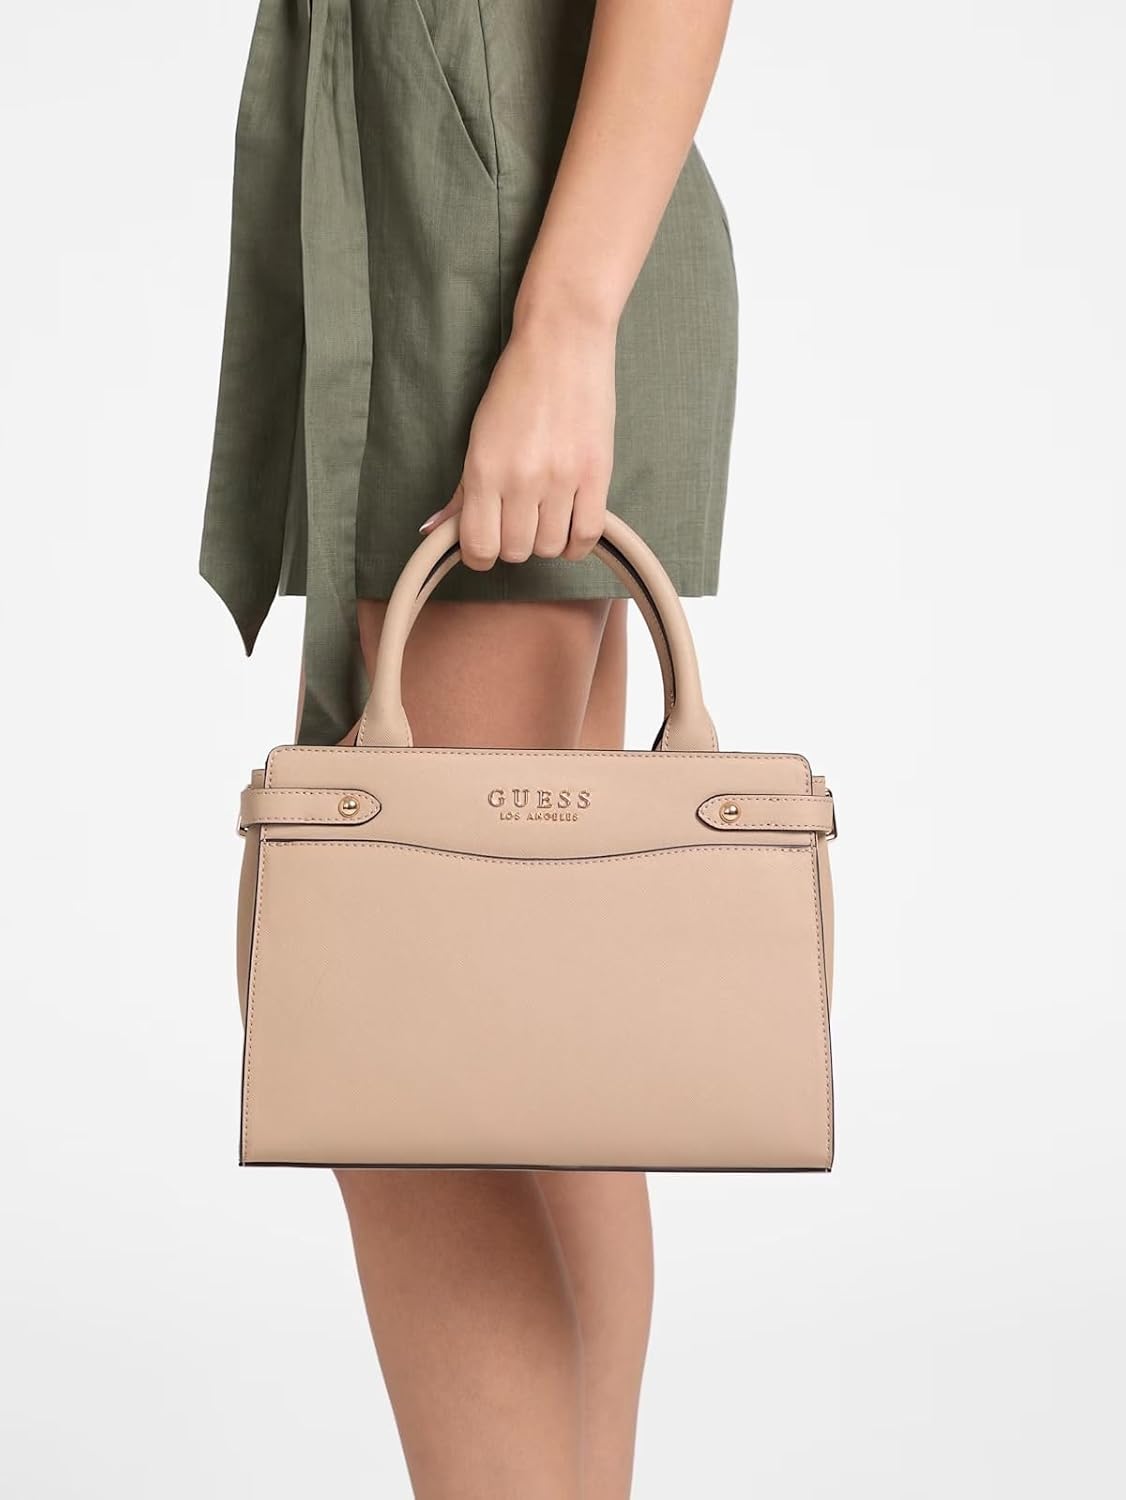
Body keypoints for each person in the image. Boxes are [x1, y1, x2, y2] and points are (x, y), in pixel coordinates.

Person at [199, 1, 737, 1493]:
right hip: (474, 226)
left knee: (397, 1059)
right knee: (533, 1061)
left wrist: (561, 330)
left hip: (497, 266)